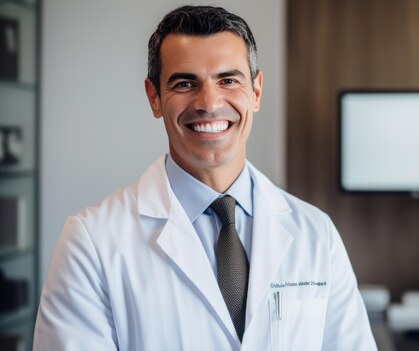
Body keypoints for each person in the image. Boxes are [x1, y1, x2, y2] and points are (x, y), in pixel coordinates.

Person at [33, 5, 376, 351]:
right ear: (154, 98)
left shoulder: (317, 234)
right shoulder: (91, 244)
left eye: (228, 80)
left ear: (256, 92)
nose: (209, 103)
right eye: (185, 83)